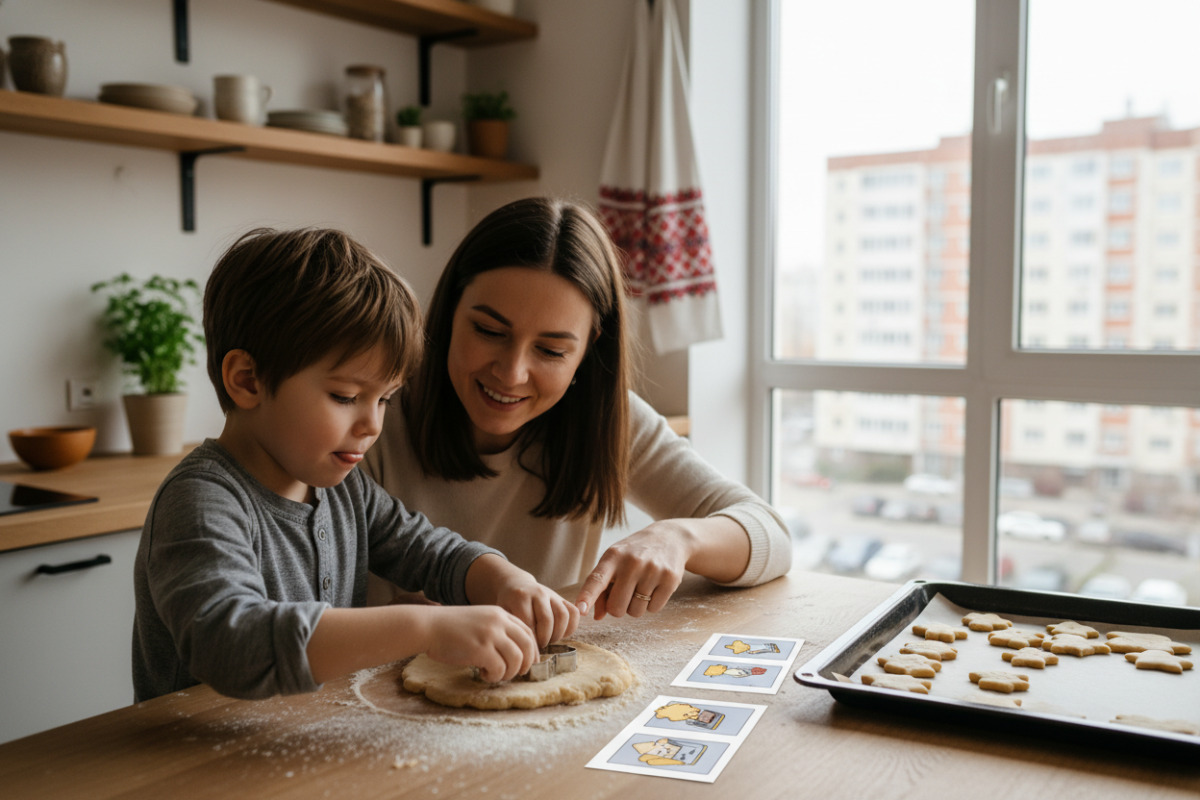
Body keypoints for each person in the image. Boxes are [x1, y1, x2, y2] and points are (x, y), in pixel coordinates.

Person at [132, 227, 578, 703]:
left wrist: (502, 577)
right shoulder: (201, 501)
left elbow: (427, 549)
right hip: (192, 768)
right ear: (247, 380)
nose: (371, 424)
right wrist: (425, 626)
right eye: (346, 397)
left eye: (385, 399)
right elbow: (231, 642)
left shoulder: (344, 490)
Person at [364, 197, 792, 621]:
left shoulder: (607, 419)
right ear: (451, 310)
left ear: (588, 350)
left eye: (550, 351)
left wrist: (678, 538)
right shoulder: (372, 409)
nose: (512, 373)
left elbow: (772, 536)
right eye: (489, 331)